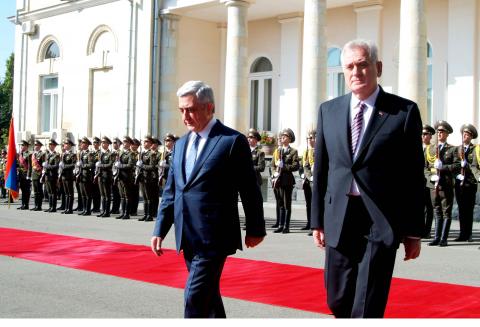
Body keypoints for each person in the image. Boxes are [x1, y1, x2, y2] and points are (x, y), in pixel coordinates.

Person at [311, 39, 424, 318]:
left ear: (378, 67)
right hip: (340, 215)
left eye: (363, 64)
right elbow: (321, 170)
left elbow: (413, 176)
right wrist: (317, 221)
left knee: (367, 303)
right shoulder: (329, 110)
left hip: (380, 218)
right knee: (337, 299)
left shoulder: (403, 112)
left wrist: (413, 231)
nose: (356, 72)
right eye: (349, 66)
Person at [151, 80, 265, 318]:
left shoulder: (231, 141)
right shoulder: (181, 144)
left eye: (191, 109)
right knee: (209, 297)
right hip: (187, 234)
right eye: (182, 110)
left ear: (209, 107)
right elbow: (172, 191)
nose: (185, 116)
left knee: (194, 297)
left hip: (215, 236)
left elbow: (249, 188)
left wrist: (255, 227)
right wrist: (160, 228)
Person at [426, 121, 456, 247]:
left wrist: (443, 167)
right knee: (437, 211)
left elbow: (457, 165)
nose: (439, 133)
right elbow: (425, 167)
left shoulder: (453, 149)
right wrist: (430, 177)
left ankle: (444, 238)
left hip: (446, 185)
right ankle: (437, 238)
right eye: (438, 131)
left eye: (442, 131)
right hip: (433, 185)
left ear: (447, 134)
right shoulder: (430, 149)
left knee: (446, 212)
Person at [271, 128, 299, 234]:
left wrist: (284, 166)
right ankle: (280, 225)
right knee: (280, 203)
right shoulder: (277, 151)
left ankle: (287, 226)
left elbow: (296, 166)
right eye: (282, 135)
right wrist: (274, 172)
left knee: (287, 203)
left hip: (287, 181)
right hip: (278, 180)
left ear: (290, 138)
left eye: (285, 136)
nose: (282, 137)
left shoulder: (293, 151)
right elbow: (272, 165)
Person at [453, 124, 477, 242]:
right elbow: (455, 165)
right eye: (464, 134)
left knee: (469, 209)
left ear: (471, 136)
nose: (464, 136)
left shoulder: (475, 149)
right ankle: (462, 234)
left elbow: (475, 166)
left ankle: (469, 234)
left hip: (470, 183)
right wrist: (456, 175)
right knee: (461, 209)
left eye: (467, 134)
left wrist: (466, 165)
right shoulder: (458, 149)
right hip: (459, 184)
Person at [115, 136, 134, 220]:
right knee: (122, 195)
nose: (124, 143)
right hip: (120, 177)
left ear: (129, 143)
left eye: (126, 142)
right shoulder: (121, 152)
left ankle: (127, 213)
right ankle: (122, 212)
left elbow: (130, 165)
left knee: (127, 196)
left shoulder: (131, 153)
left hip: (126, 177)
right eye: (123, 142)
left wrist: (121, 166)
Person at [96, 136, 116, 218]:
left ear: (108, 144)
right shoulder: (100, 154)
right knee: (102, 195)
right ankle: (103, 210)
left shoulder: (110, 154)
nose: (103, 144)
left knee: (107, 195)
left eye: (104, 143)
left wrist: (101, 165)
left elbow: (110, 164)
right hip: (100, 176)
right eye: (102, 142)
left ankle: (107, 212)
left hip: (107, 176)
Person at [422, 124, 436, 238]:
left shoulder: (433, 149)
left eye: (426, 134)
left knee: (428, 207)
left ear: (430, 136)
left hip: (428, 181)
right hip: (416, 181)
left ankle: (426, 231)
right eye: (422, 134)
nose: (423, 136)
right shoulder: (415, 147)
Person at [301, 130, 316, 235]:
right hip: (308, 180)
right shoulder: (307, 151)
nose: (309, 140)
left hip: (316, 181)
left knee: (315, 204)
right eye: (308, 138)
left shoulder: (319, 150)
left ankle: (315, 226)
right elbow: (304, 165)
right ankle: (309, 222)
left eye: (311, 138)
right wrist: (306, 176)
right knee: (308, 204)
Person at [60, 138, 77, 214]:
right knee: (66, 193)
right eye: (64, 144)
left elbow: (73, 165)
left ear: (70, 145)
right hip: (63, 175)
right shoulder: (63, 154)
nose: (65, 145)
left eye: (66, 144)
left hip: (69, 175)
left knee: (70, 193)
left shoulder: (73, 155)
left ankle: (69, 209)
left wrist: (64, 166)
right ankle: (66, 208)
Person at [43, 139, 61, 212]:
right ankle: (50, 206)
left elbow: (56, 166)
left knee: (53, 192)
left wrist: (47, 166)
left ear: (54, 146)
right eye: (49, 145)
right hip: (47, 175)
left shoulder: (56, 155)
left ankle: (53, 207)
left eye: (52, 145)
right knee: (49, 192)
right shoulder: (47, 154)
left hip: (53, 175)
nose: (50, 146)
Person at [29, 140, 46, 211]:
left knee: (39, 190)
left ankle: (39, 206)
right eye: (35, 145)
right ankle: (36, 205)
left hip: (39, 174)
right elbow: (30, 165)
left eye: (37, 145)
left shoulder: (42, 154)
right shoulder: (32, 154)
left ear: (40, 146)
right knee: (35, 191)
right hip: (33, 174)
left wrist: (42, 174)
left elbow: (44, 165)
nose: (36, 146)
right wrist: (29, 174)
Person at [17, 140, 32, 210]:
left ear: (27, 146)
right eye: (21, 145)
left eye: (23, 145)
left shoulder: (29, 154)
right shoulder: (21, 154)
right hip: (21, 174)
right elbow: (19, 164)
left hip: (26, 174)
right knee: (23, 190)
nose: (22, 147)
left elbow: (30, 166)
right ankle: (23, 204)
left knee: (26, 190)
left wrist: (28, 175)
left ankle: (26, 205)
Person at [91, 136, 102, 213]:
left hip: (98, 173)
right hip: (92, 173)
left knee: (97, 192)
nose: (95, 144)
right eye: (94, 143)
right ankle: (94, 206)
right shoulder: (92, 153)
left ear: (99, 144)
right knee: (93, 191)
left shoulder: (100, 153)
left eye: (96, 143)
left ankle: (97, 207)